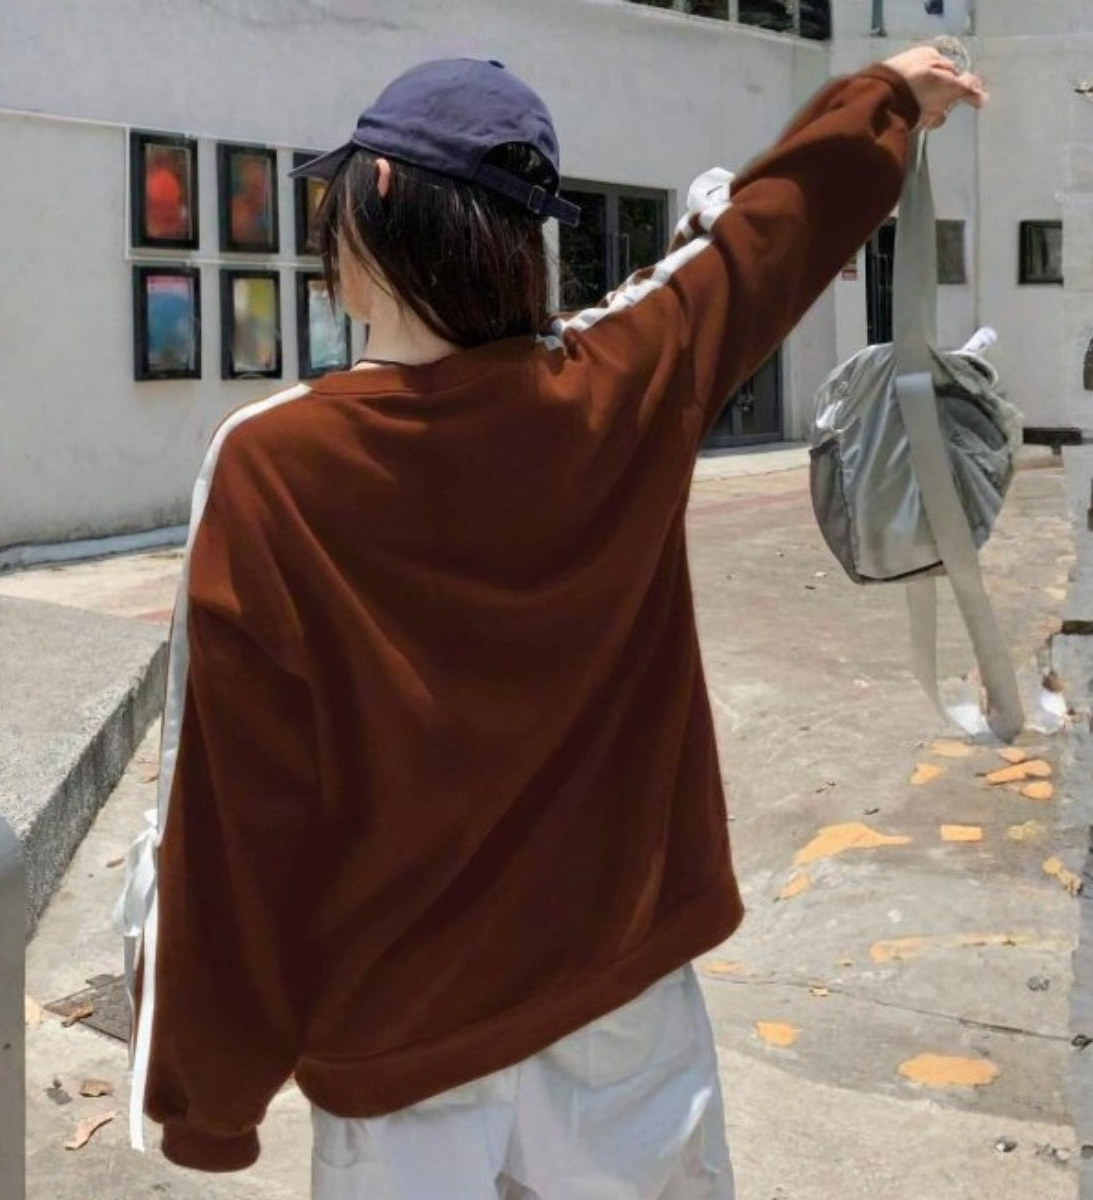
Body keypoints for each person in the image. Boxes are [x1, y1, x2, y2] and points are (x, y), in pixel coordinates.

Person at [119, 46, 986, 1198]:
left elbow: (235, 812)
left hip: (402, 1044)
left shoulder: (273, 464)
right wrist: (886, 101)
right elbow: (764, 244)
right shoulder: (618, 382)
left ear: (378, 194)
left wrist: (209, 1095)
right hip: (623, 1003)